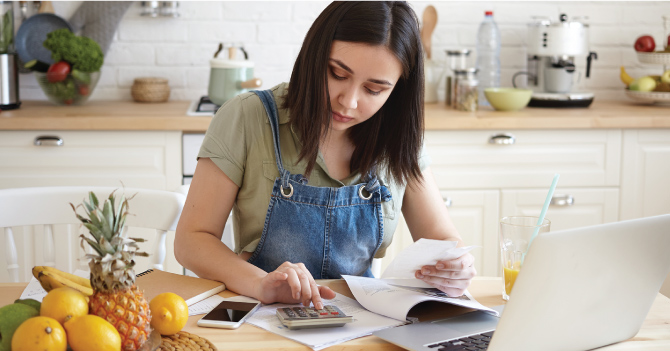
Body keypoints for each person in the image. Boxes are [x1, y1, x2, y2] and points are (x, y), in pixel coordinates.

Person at [175, 1, 475, 311]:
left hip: (363, 321)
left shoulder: (398, 136)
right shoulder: (248, 117)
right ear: (314, 55)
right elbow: (192, 240)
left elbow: (442, 240)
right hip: (261, 315)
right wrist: (259, 284)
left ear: (398, 90)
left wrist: (455, 265)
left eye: (374, 90)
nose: (349, 102)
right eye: (337, 74)